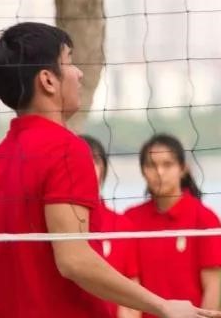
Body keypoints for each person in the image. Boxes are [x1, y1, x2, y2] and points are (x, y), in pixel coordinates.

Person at [0, 21, 220, 318]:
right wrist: (164, 306)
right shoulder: (67, 150)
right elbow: (74, 260)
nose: (79, 73)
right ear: (48, 80)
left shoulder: (2, 155)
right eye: (69, 61)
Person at [124, 134, 221, 318]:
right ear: (142, 171)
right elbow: (130, 286)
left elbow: (212, 287)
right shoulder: (130, 219)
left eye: (167, 164)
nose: (159, 172)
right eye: (151, 165)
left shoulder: (205, 218)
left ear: (182, 168)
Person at [82, 135, 141, 318]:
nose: (88, 167)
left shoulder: (122, 225)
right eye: (82, 160)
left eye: (95, 161)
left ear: (104, 169)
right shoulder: (52, 224)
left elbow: (131, 293)